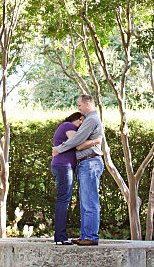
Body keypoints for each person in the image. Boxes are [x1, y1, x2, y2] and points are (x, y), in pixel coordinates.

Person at [52, 94, 104, 246]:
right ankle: (86, 235)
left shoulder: (91, 119)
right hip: (85, 163)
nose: (78, 108)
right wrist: (95, 141)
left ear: (88, 103)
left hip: (90, 162)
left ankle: (90, 236)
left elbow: (77, 140)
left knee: (90, 201)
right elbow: (79, 143)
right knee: (85, 202)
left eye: (80, 105)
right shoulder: (89, 120)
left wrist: (59, 149)